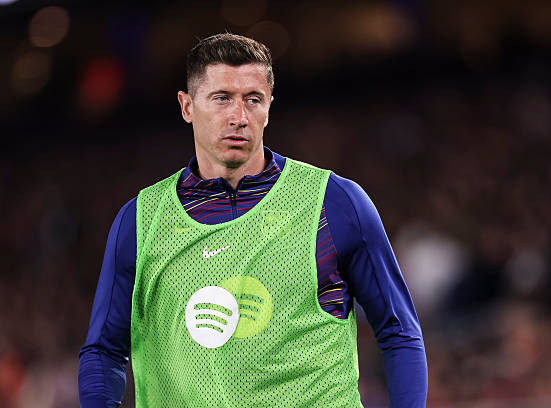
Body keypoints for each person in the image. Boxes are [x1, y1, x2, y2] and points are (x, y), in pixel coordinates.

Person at [78, 33, 428, 407]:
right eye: (222, 98)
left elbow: (399, 331)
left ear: (269, 106)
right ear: (187, 106)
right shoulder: (141, 222)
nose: (239, 117)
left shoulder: (334, 203)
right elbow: (104, 352)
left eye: (253, 99)